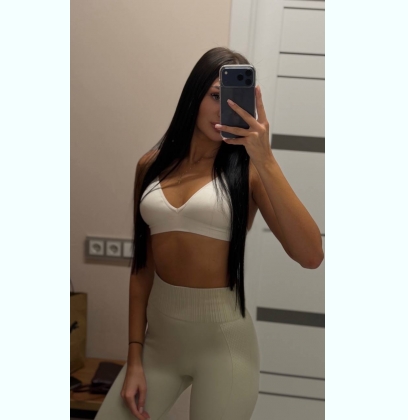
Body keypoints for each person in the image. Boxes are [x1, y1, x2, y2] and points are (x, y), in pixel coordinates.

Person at [95, 47, 324, 420]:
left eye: (235, 99)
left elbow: (311, 255)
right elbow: (142, 269)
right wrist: (134, 357)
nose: (225, 109)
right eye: (216, 96)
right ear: (194, 95)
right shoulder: (149, 166)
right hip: (158, 346)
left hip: (225, 348)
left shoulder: (249, 172)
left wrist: (265, 157)